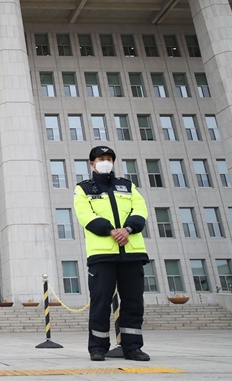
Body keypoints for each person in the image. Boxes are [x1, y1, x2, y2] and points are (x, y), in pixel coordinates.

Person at [73, 146, 151, 362]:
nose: (105, 161)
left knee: (134, 302)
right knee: (100, 302)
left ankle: (132, 347)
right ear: (92, 163)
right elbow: (85, 215)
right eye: (100, 159)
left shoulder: (127, 186)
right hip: (102, 255)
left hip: (132, 253)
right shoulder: (83, 189)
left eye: (108, 158)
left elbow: (140, 210)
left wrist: (127, 229)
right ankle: (98, 348)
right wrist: (110, 231)